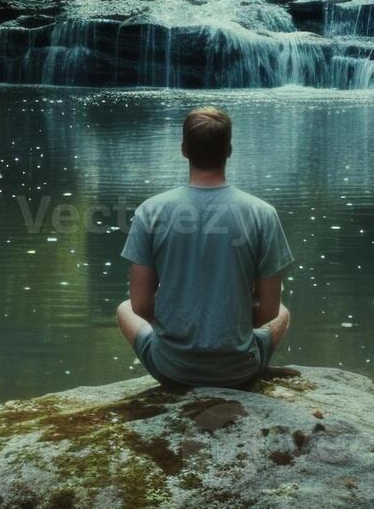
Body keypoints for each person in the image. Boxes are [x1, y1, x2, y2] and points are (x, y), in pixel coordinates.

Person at [116, 107, 293, 388]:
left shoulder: (150, 211)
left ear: (184, 149)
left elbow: (140, 305)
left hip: (171, 368)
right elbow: (269, 311)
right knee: (283, 312)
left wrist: (179, 329)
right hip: (238, 370)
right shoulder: (263, 214)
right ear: (230, 150)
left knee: (124, 308)